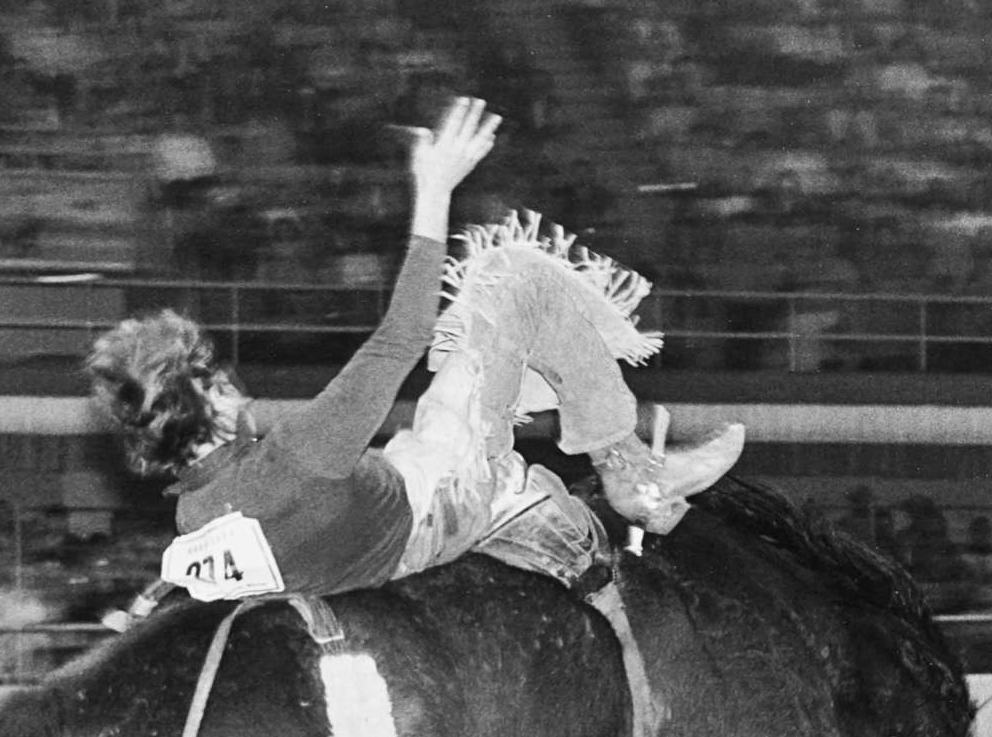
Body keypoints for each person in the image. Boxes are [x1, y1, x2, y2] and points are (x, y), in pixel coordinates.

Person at [84, 98, 744, 604]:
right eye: (213, 379)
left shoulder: (192, 513)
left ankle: (602, 447)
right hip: (444, 499)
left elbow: (245, 436)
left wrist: (221, 413)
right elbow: (400, 335)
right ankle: (636, 480)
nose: (229, 381)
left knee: (480, 324)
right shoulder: (301, 451)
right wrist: (434, 189)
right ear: (203, 405)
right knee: (511, 273)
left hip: (387, 516)